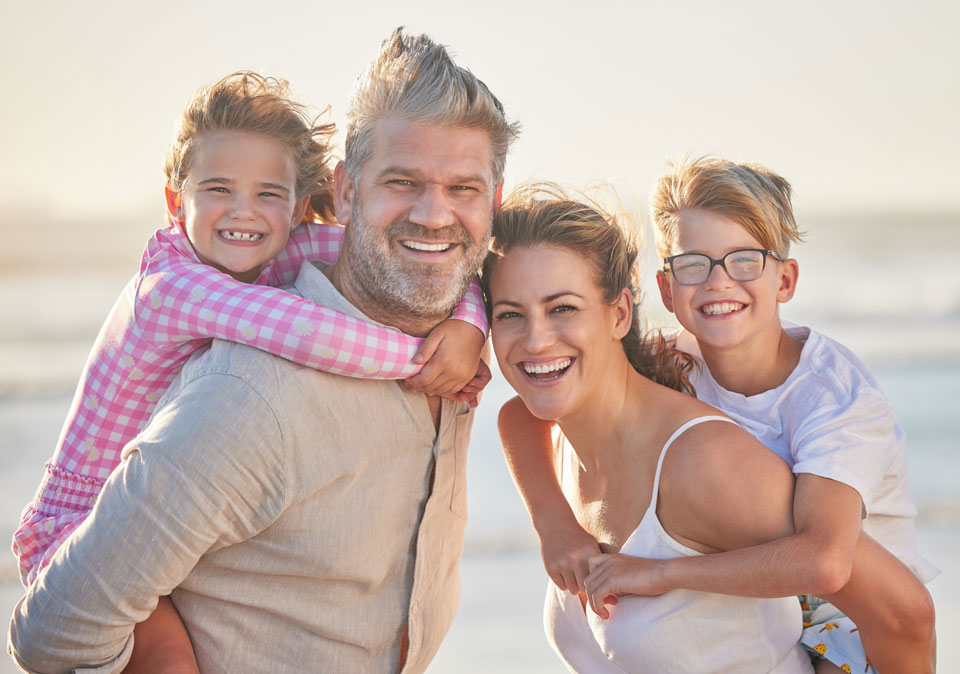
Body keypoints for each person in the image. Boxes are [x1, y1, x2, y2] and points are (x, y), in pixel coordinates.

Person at [9, 27, 518, 674]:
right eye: (402, 180)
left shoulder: (442, 321)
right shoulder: (249, 400)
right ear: (345, 190)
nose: (434, 214)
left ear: (494, 202)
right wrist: (422, 361)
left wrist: (472, 326)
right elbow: (53, 631)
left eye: (464, 189)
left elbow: (467, 271)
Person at [497, 164, 937, 673]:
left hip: (848, 623)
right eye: (693, 264)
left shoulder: (832, 399)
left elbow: (827, 563)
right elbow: (525, 412)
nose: (718, 282)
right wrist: (556, 526)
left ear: (786, 279)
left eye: (744, 261)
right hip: (773, 589)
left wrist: (667, 573)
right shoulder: (671, 359)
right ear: (665, 289)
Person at [485, 185, 815, 672]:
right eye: (509, 314)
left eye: (563, 308)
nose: (535, 340)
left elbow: (897, 611)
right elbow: (512, 416)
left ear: (619, 313)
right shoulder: (552, 431)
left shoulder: (707, 463)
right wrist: (552, 523)